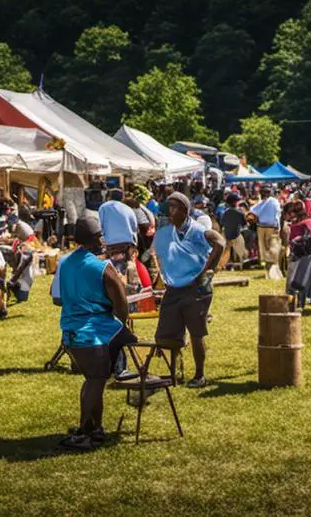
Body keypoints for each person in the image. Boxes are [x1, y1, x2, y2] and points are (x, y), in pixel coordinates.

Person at [55, 215, 134, 451]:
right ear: (93, 239)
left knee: (92, 381)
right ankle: (86, 431)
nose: (103, 240)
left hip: (70, 332)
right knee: (95, 381)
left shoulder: (66, 263)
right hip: (94, 334)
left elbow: (57, 296)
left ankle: (95, 427)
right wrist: (122, 323)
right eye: (100, 236)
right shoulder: (103, 267)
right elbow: (121, 304)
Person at [152, 192, 225, 388]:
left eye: (174, 207)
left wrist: (206, 271)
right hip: (175, 288)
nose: (170, 211)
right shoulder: (171, 230)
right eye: (170, 207)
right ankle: (175, 372)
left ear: (184, 211)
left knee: (196, 332)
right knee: (167, 335)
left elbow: (220, 242)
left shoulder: (197, 230)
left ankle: (199, 375)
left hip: (197, 290)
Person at [284, 201, 311, 309]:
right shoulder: (306, 222)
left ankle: (293, 304)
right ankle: (298, 304)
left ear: (293, 212)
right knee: (301, 281)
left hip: (302, 254)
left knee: (295, 282)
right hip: (306, 254)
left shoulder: (302, 223)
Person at [251, 187, 283, 279]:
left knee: (268, 249)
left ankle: (272, 270)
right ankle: (271, 270)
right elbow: (277, 214)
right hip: (268, 227)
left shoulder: (268, 202)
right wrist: (278, 226)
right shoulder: (272, 202)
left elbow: (253, 211)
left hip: (265, 227)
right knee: (269, 248)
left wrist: (277, 226)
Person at [220, 194, 248, 268]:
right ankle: (242, 264)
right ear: (234, 202)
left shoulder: (225, 213)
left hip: (226, 234)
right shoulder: (239, 213)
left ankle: (223, 265)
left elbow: (222, 223)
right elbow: (244, 224)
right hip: (236, 235)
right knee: (242, 252)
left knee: (225, 251)